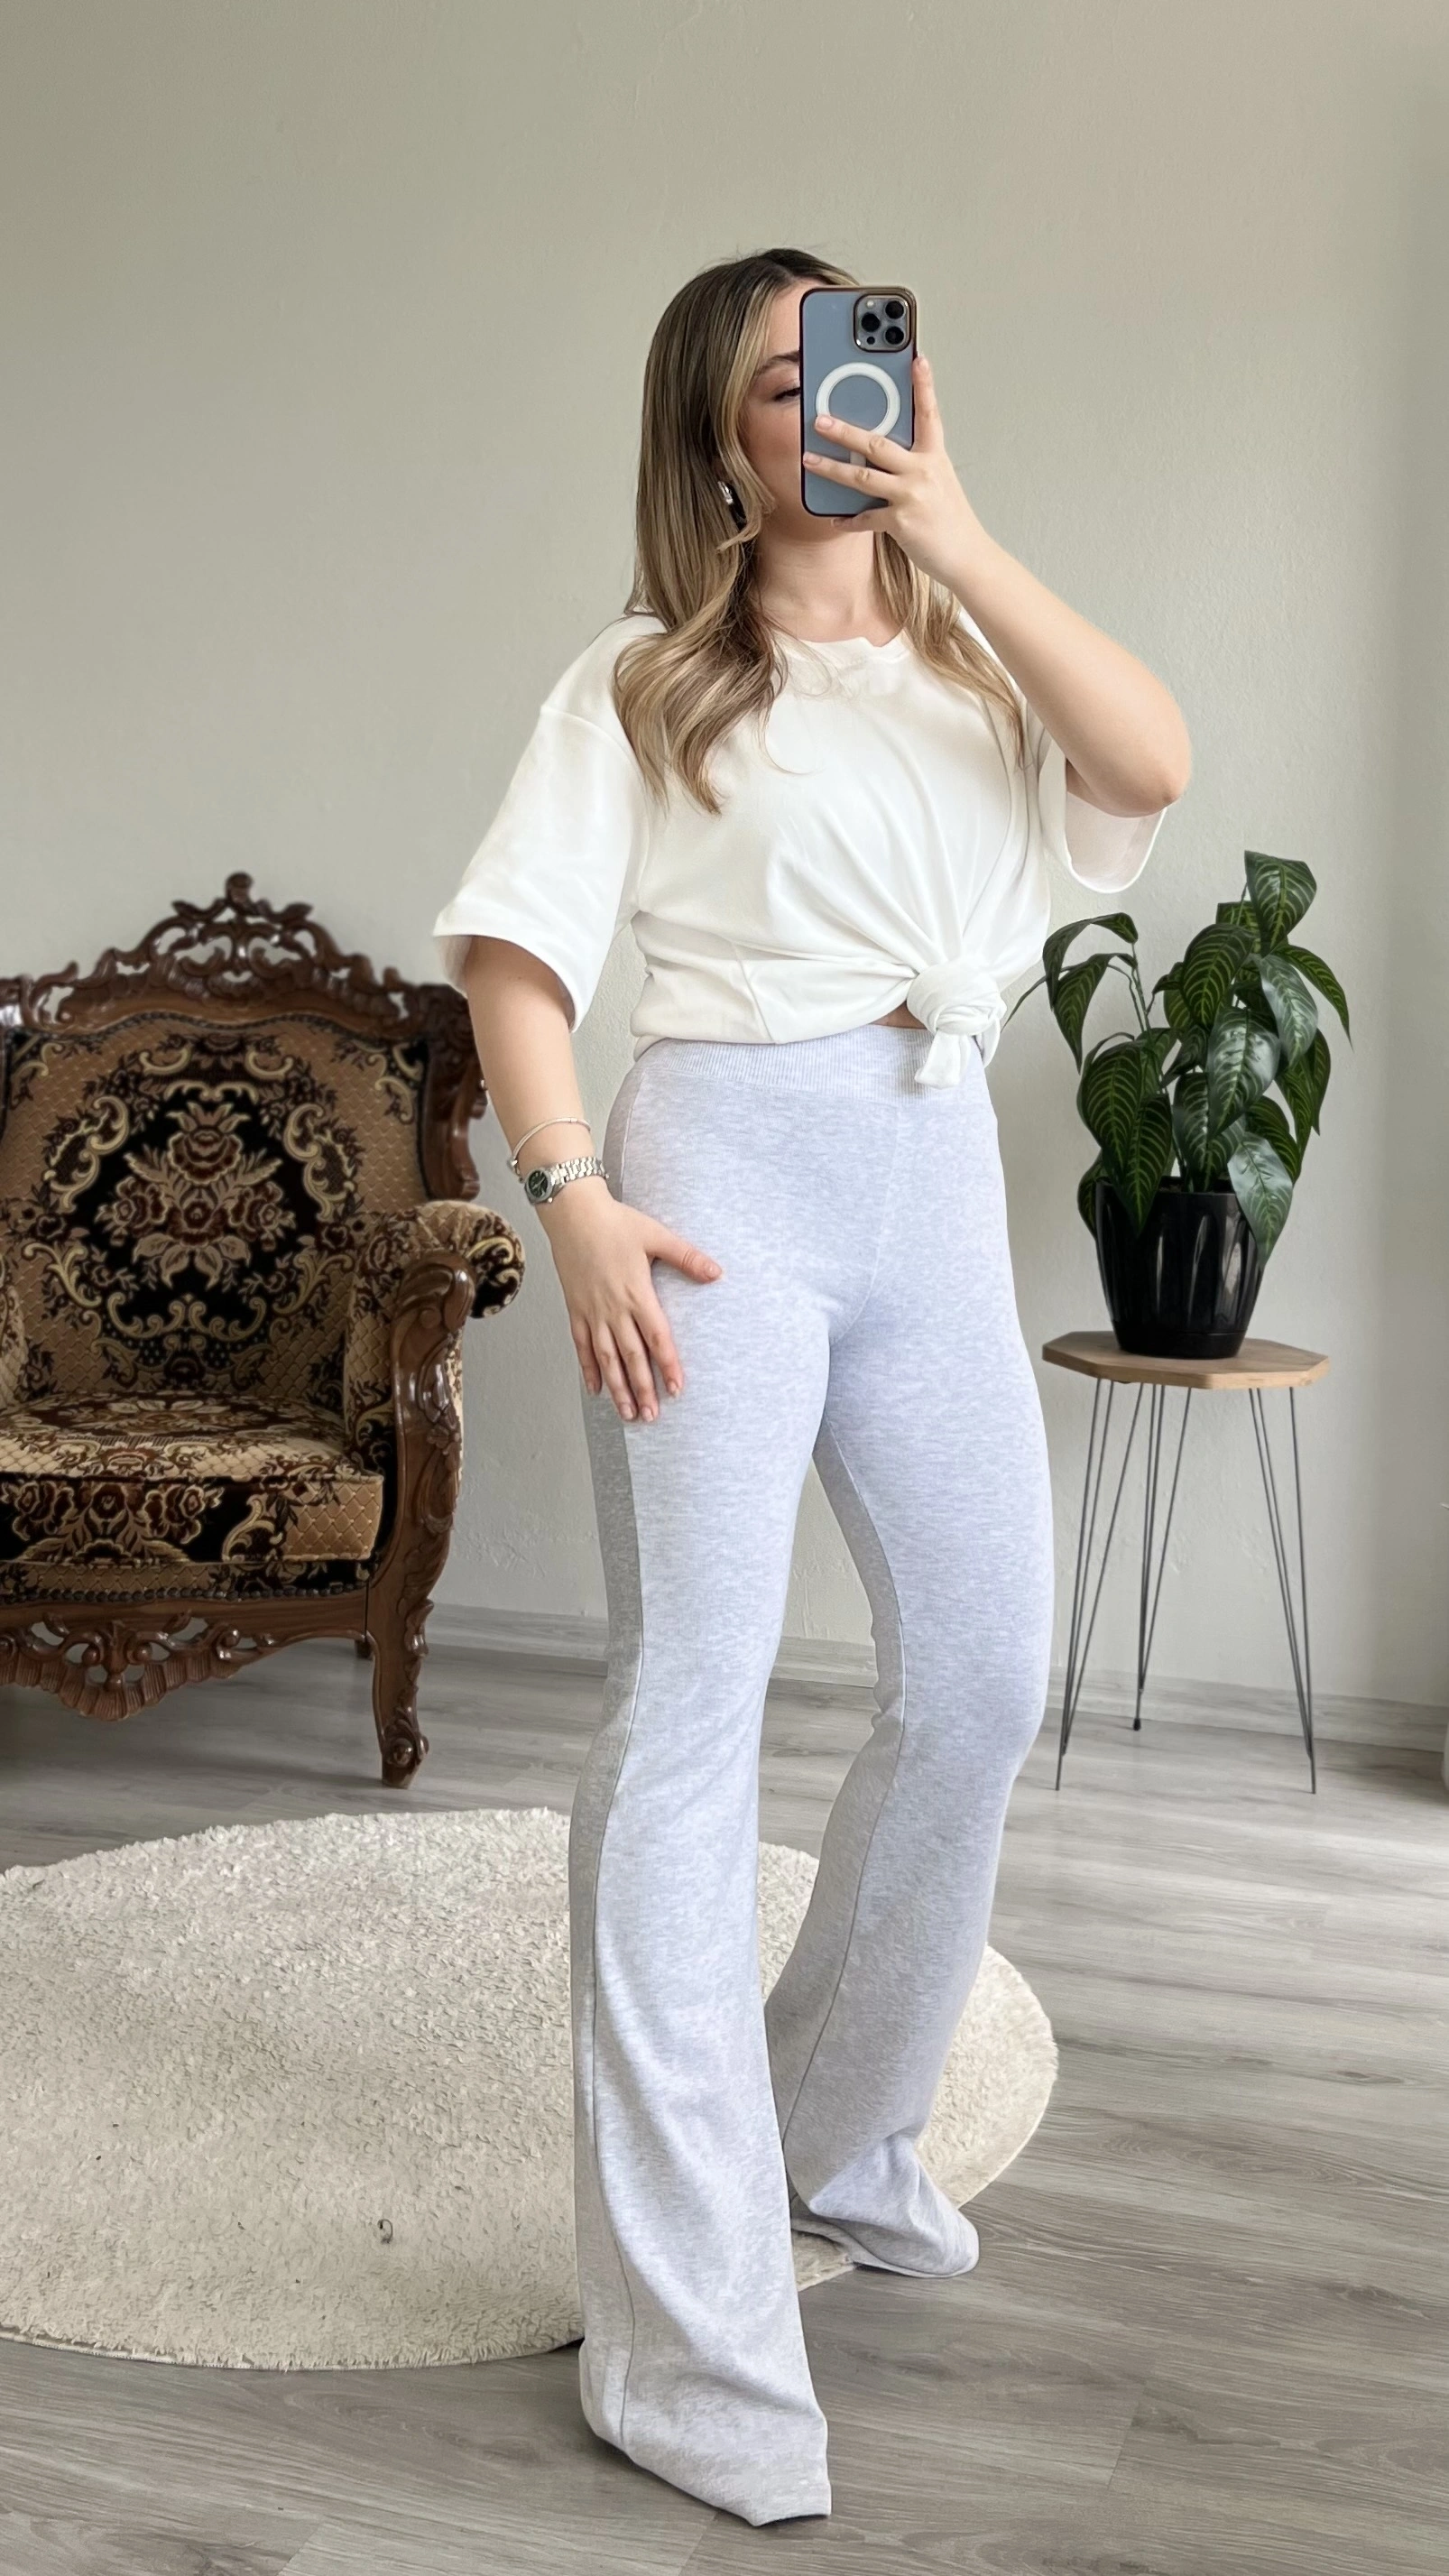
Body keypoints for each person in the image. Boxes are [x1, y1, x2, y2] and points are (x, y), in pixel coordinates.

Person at [432, 245, 1189, 2527]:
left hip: (927, 1172)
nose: (838, 407)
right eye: (783, 384)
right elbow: (514, 955)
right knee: (692, 1702)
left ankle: (830, 2131)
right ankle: (680, 2342)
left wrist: (956, 529)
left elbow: (1147, 759)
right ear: (717, 439)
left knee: (976, 1675)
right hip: (716, 1180)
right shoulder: (645, 680)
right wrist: (566, 1194)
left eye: (859, 364)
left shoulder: (972, 664)